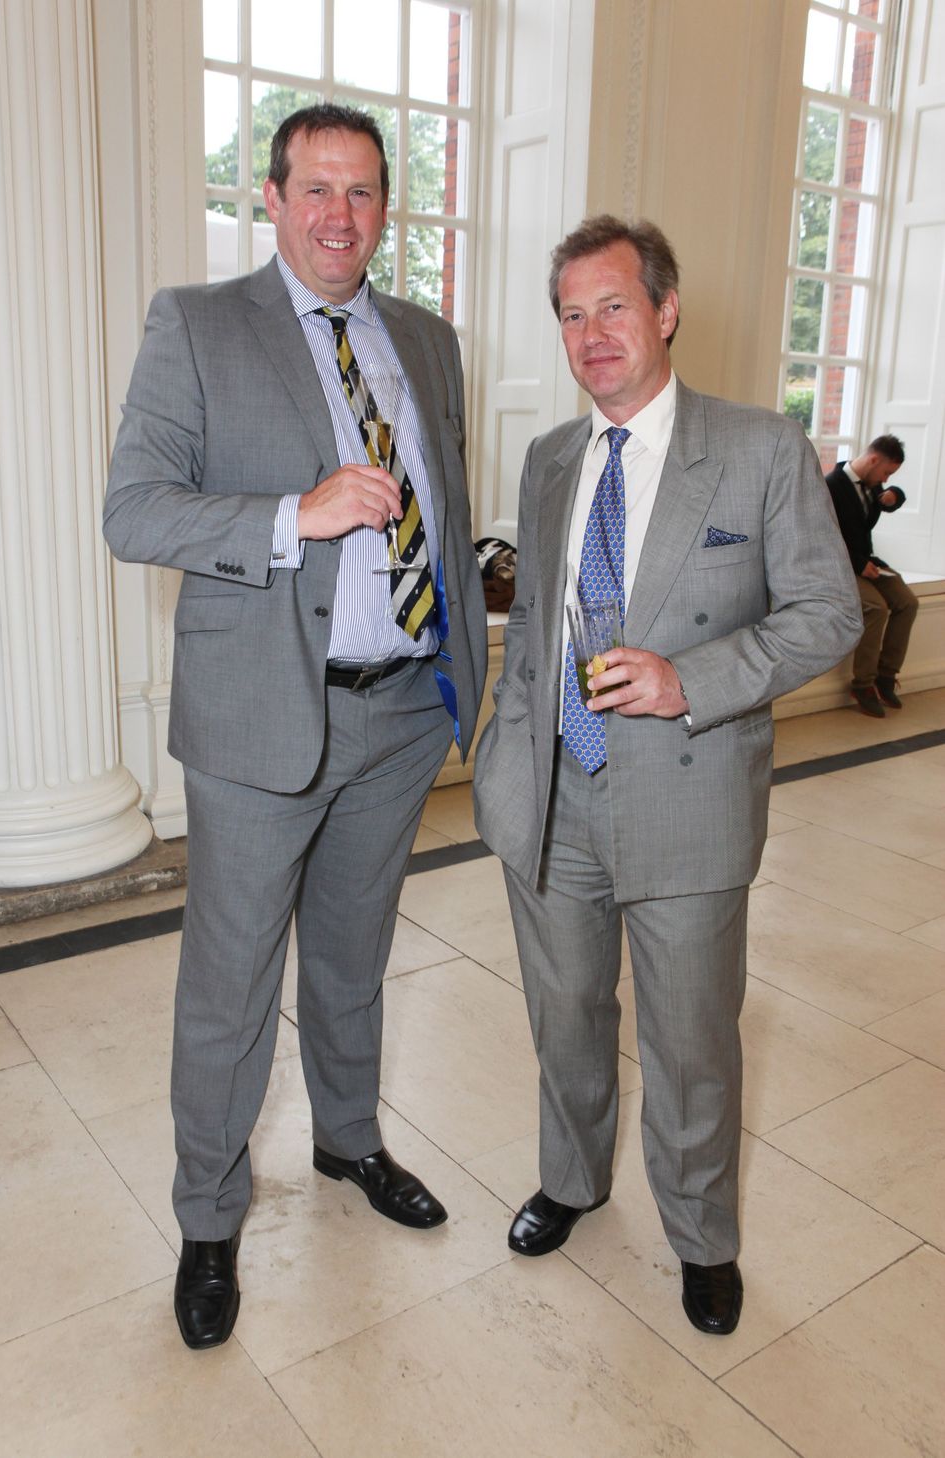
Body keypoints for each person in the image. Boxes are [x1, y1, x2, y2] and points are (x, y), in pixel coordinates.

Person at [104, 103, 487, 1351]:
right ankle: (210, 1220)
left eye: (363, 192)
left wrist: (460, 682)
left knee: (351, 959)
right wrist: (293, 516)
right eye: (314, 189)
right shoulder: (199, 324)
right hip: (261, 715)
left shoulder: (426, 342)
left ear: (386, 207)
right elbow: (136, 510)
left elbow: (449, 501)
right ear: (267, 197)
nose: (339, 216)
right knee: (229, 984)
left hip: (395, 716)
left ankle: (347, 1142)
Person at [472, 215, 861, 1337]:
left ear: (665, 311)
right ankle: (571, 1181)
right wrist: (507, 758)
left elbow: (828, 612)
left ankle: (699, 1235)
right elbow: (536, 621)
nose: (590, 335)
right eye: (570, 314)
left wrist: (688, 678)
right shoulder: (551, 458)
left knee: (690, 1040)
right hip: (550, 794)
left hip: (685, 796)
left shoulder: (754, 449)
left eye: (612, 308)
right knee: (563, 1015)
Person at [824, 437, 917, 717]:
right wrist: (857, 564)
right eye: (887, 473)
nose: (886, 479)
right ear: (874, 460)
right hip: (840, 565)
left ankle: (886, 675)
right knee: (875, 607)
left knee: (907, 602)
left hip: (868, 562)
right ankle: (862, 683)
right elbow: (825, 536)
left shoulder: (873, 484)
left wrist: (895, 494)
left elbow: (888, 500)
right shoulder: (832, 486)